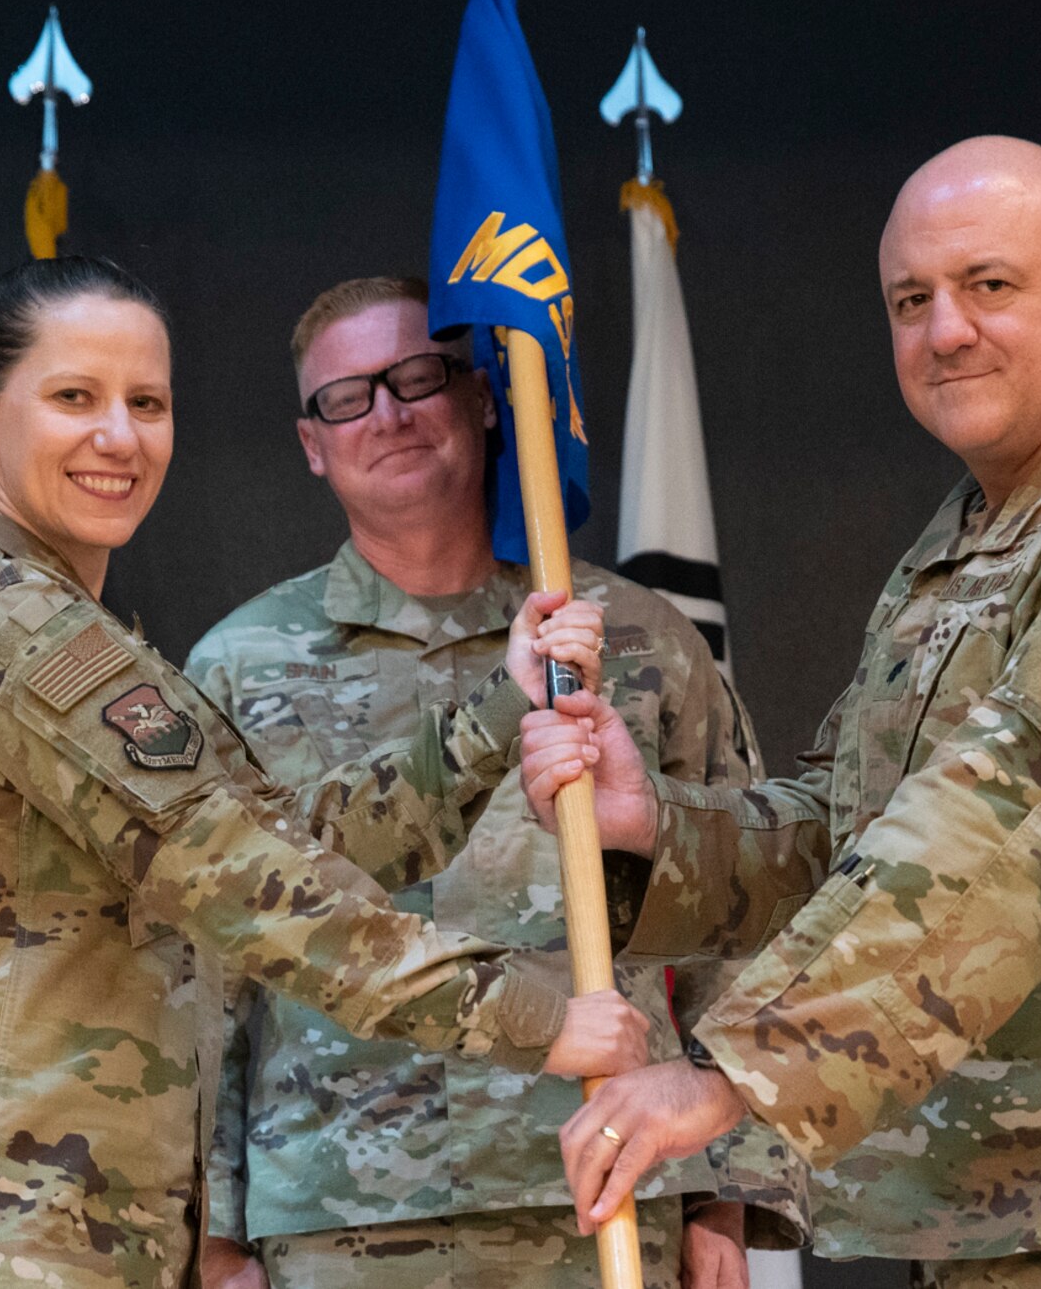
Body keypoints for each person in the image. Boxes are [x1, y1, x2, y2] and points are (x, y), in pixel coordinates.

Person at [521, 137, 1041, 1288]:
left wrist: (730, 1073)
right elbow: (851, 834)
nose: (944, 330)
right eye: (909, 300)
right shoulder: (967, 544)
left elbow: (1004, 839)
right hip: (995, 1211)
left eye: (988, 286)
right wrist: (656, 827)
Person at [0, 256, 651, 1289]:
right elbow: (248, 881)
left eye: (145, 402)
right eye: (75, 396)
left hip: (59, 1230)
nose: (119, 436)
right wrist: (534, 1014)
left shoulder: (82, 637)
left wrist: (492, 714)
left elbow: (286, 843)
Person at [186, 277, 807, 1289]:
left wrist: (726, 1194)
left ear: (481, 395)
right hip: (339, 1212)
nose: (387, 413)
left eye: (416, 377)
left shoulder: (636, 636)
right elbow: (203, 970)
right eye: (347, 396)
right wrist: (213, 1240)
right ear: (310, 442)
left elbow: (736, 920)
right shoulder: (234, 666)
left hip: (606, 1186)